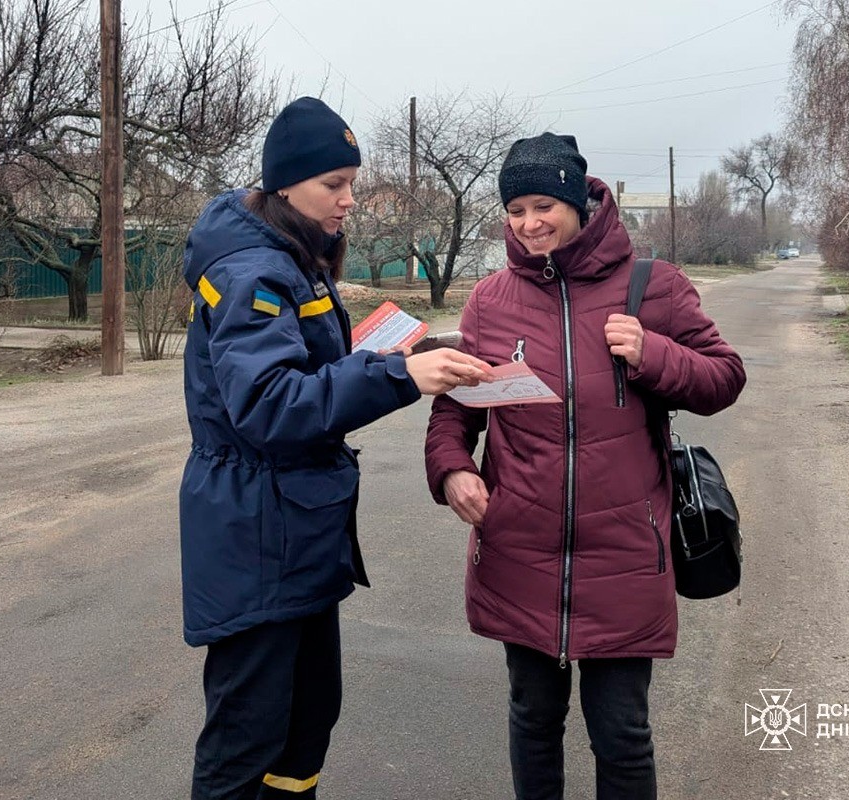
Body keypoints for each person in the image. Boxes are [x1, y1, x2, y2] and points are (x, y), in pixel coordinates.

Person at [179, 96, 492, 800]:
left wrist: (419, 349)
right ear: (284, 183)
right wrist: (398, 375)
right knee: (246, 739)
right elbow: (268, 405)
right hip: (256, 529)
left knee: (306, 721)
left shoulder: (293, 254)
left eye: (352, 181)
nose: (350, 200)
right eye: (334, 184)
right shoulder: (250, 273)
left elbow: (312, 366)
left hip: (299, 527)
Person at [424, 133, 746, 799]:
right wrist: (454, 468)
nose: (529, 223)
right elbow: (457, 408)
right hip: (519, 548)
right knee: (532, 719)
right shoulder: (490, 299)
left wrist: (654, 353)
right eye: (515, 210)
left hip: (626, 553)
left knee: (622, 733)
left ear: (579, 200)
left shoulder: (652, 287)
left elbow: (723, 379)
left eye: (543, 204)